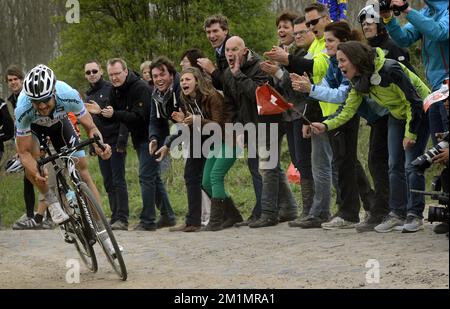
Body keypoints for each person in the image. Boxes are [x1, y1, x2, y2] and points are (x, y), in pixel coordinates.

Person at [310, 41, 431, 233]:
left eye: (342, 60)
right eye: (338, 61)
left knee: (411, 164)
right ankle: (397, 213)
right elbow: (347, 110)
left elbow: (413, 101)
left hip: (420, 112)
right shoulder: (358, 80)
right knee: (393, 165)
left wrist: (411, 133)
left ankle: (415, 214)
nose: (339, 65)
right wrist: (325, 125)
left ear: (355, 59)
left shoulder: (390, 69)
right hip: (397, 114)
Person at [15, 64, 111, 228]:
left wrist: (100, 145)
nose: (43, 106)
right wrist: (35, 170)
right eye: (37, 102)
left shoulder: (68, 95)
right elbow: (23, 153)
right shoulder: (23, 109)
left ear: (54, 93)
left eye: (46, 100)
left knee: (83, 171)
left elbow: (91, 127)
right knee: (35, 169)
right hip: (34, 130)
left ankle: (102, 226)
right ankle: (51, 202)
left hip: (60, 124)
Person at [198, 15, 263, 225]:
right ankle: (245, 213)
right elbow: (229, 94)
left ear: (226, 31)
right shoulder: (221, 55)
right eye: (208, 32)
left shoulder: (239, 53)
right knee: (263, 167)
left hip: (257, 120)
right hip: (236, 122)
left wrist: (213, 71)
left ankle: (265, 210)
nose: (212, 36)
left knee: (263, 167)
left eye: (216, 31)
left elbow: (236, 87)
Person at [103, 58, 176, 231]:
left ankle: (148, 221)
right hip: (138, 138)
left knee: (145, 176)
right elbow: (111, 115)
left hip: (153, 136)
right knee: (153, 178)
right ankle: (168, 216)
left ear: (126, 71)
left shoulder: (140, 88)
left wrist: (115, 114)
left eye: (117, 74)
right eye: (111, 75)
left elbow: (139, 117)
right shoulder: (115, 91)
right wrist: (99, 113)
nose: (114, 78)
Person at [261, 16, 319, 220]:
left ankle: (313, 209)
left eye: (287, 27)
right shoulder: (286, 54)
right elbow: (280, 88)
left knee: (305, 161)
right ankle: (308, 209)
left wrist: (279, 70)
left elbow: (297, 88)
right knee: (297, 160)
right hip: (289, 115)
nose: (282, 31)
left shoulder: (302, 55)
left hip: (302, 112)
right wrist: (274, 71)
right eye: (279, 27)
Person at [382, 0, 449, 145]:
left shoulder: (447, 9)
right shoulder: (427, 11)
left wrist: (407, 10)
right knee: (440, 147)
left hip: (448, 85)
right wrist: (388, 18)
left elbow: (439, 32)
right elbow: (404, 39)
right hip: (437, 88)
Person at [84, 60, 130, 231]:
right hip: (100, 143)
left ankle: (122, 218)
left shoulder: (111, 88)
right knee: (108, 181)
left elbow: (121, 115)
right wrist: (92, 144)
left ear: (101, 71)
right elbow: (89, 123)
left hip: (116, 140)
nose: (92, 74)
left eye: (94, 71)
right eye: (88, 72)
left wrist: (122, 140)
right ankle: (114, 215)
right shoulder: (88, 95)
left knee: (119, 180)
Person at [4, 65, 40, 229]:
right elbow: (19, 124)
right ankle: (31, 214)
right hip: (25, 139)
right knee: (28, 178)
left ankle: (44, 214)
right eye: (9, 80)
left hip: (39, 137)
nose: (13, 83)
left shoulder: (29, 93)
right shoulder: (12, 99)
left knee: (42, 177)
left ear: (22, 79)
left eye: (15, 79)